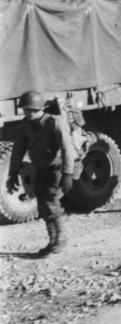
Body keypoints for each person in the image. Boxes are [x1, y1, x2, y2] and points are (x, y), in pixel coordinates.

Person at [5, 91, 76, 256]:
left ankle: (60, 239)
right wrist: (13, 173)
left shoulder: (55, 122)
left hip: (57, 167)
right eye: (24, 109)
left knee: (50, 200)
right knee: (42, 203)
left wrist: (67, 173)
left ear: (38, 108)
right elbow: (18, 149)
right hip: (41, 168)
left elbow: (67, 148)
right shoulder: (25, 125)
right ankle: (53, 240)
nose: (26, 113)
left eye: (30, 110)